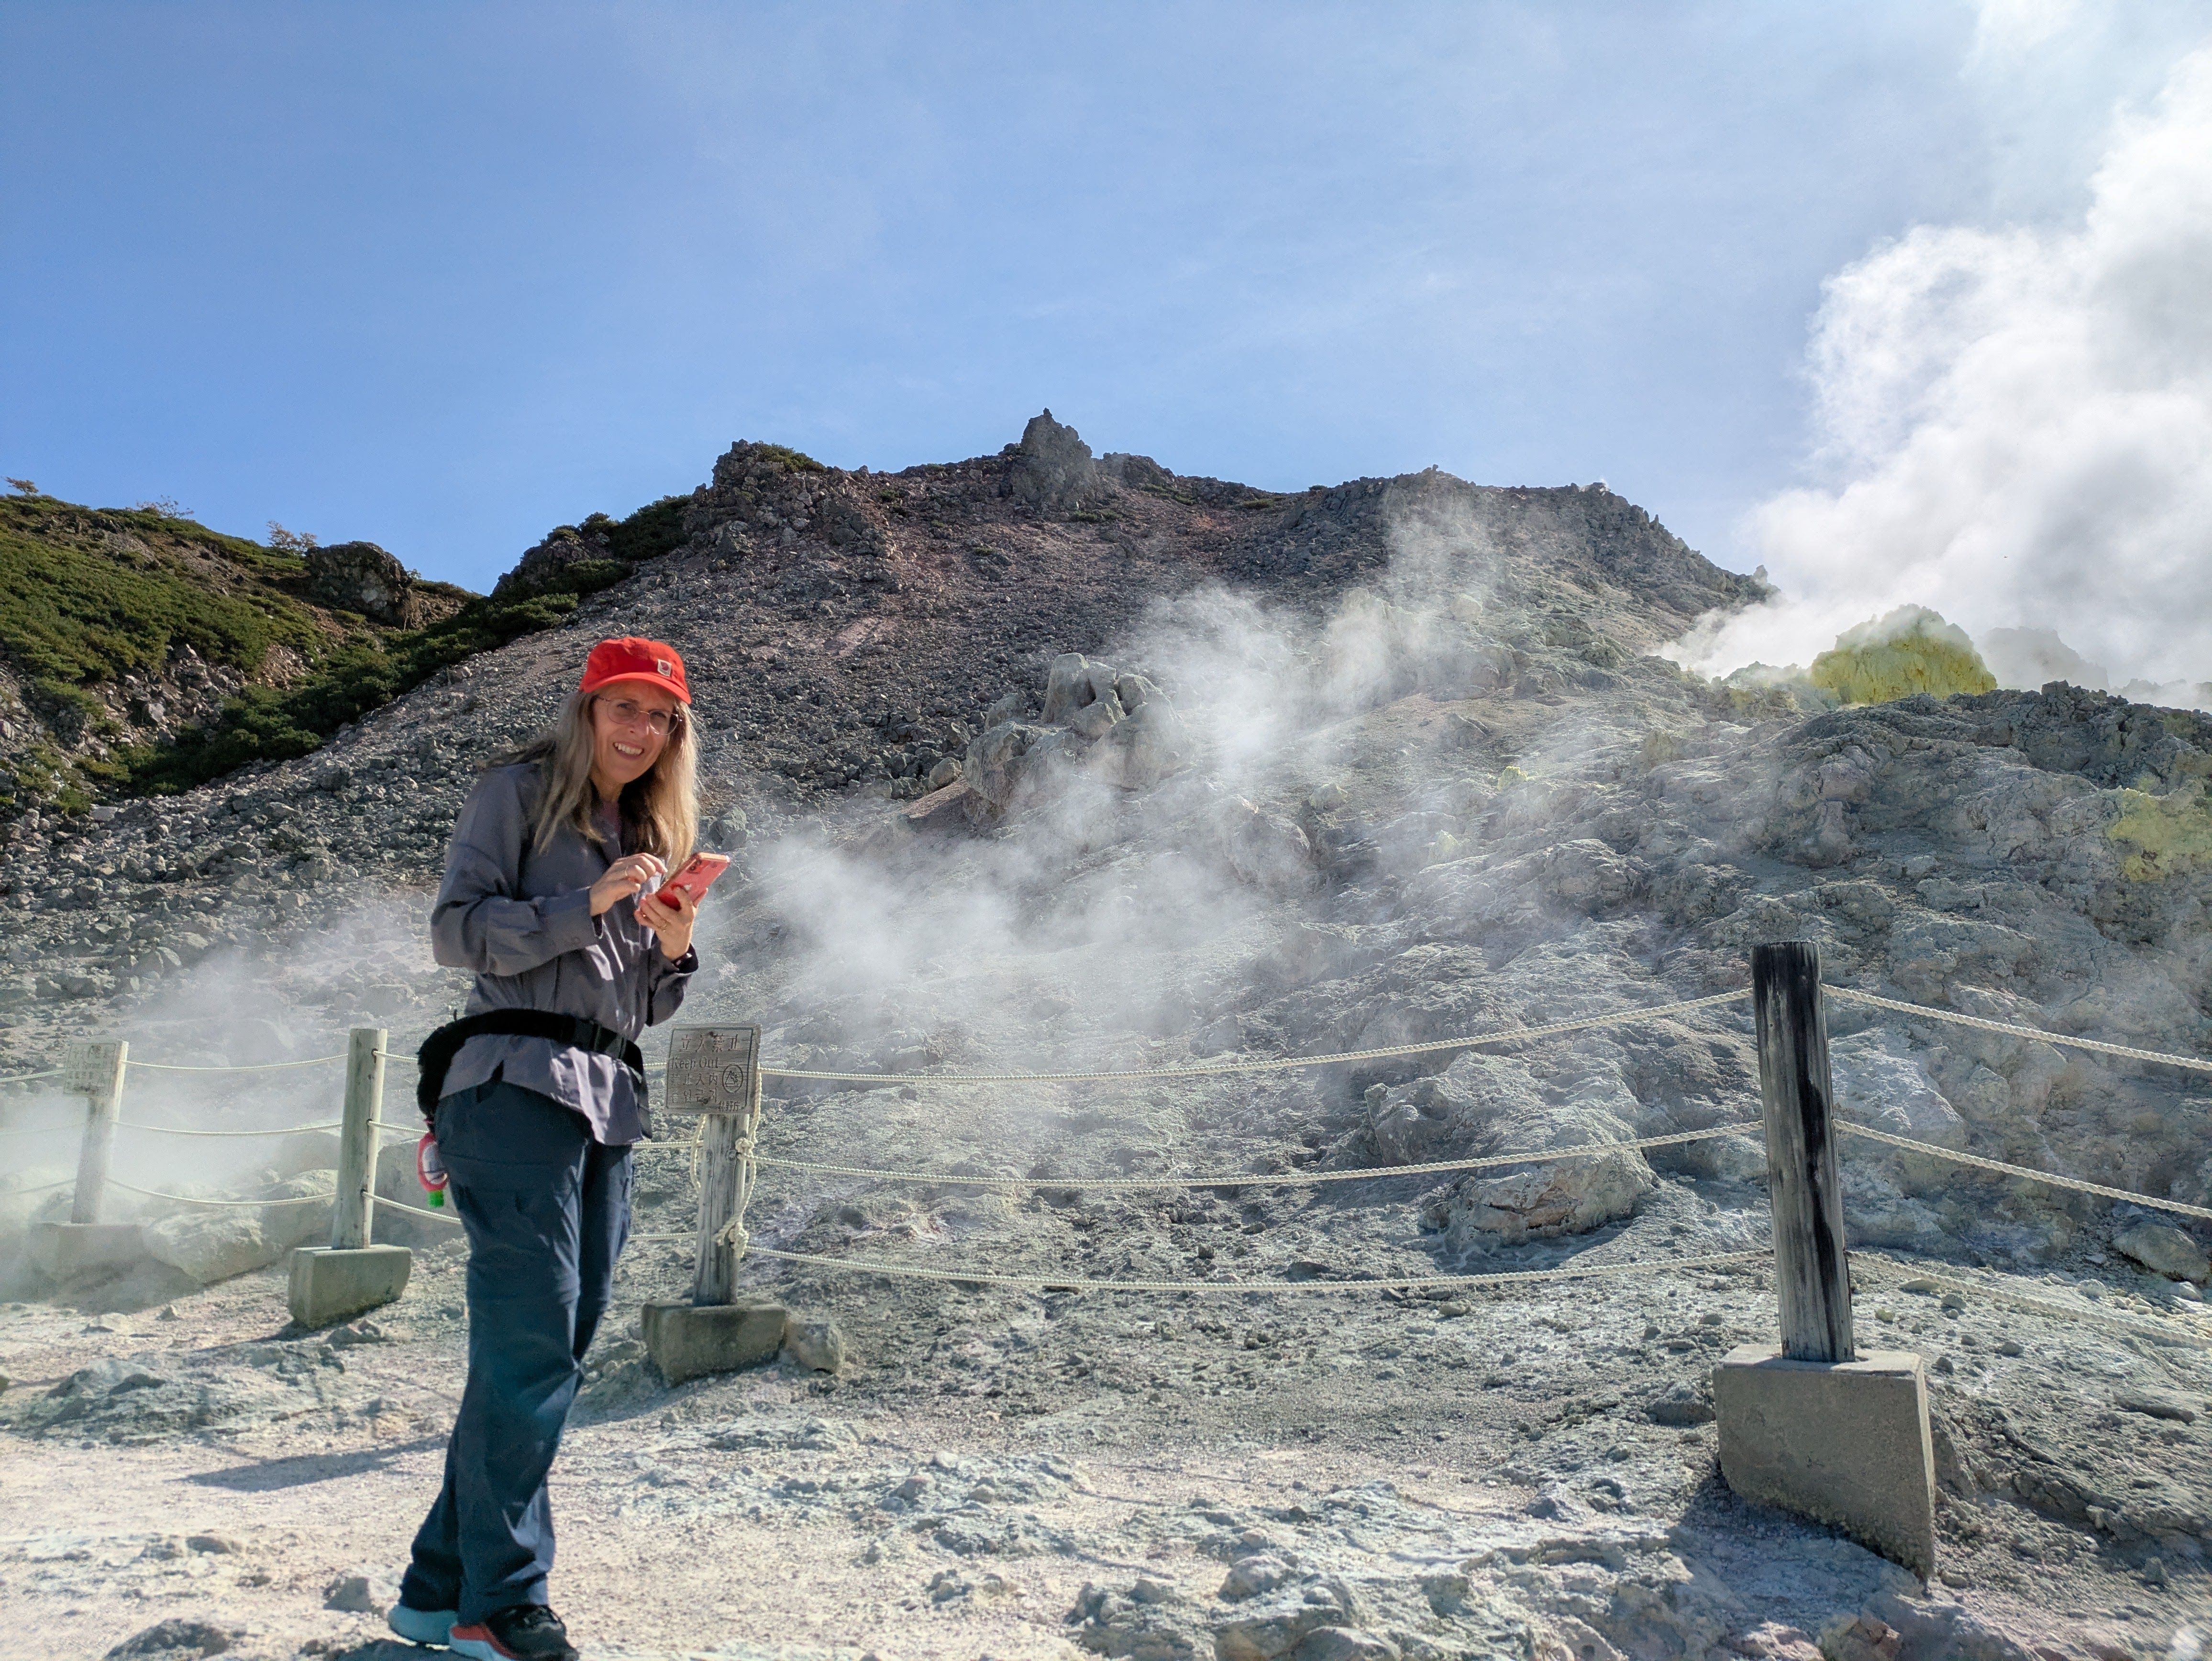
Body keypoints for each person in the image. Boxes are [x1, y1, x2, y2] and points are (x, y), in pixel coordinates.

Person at [389, 637, 705, 1661]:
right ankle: (503, 1601)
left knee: (548, 1354)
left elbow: (648, 1005)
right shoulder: (516, 791)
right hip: (513, 1083)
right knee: (528, 1349)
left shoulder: (648, 827)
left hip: (608, 1097)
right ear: (585, 708)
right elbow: (455, 932)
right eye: (623, 705)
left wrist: (672, 934)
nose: (640, 729)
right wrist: (590, 902)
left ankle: (437, 1590)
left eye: (660, 716)